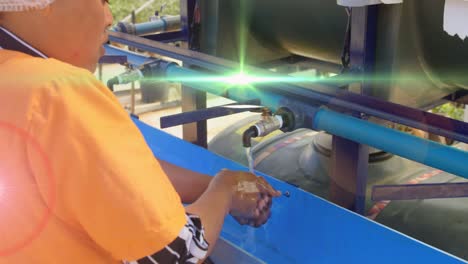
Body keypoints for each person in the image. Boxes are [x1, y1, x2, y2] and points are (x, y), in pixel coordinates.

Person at [0, 0, 281, 263]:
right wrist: (226, 189)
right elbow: (177, 252)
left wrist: (213, 184)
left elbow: (109, 175)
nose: (109, 18)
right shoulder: (58, 90)